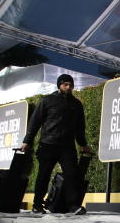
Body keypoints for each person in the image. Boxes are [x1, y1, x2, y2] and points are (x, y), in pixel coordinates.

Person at [20, 73, 91, 214]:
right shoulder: (47, 101)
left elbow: (80, 127)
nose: (68, 87)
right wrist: (27, 141)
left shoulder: (77, 104)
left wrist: (83, 144)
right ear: (59, 85)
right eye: (65, 84)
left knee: (72, 175)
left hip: (67, 147)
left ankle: (73, 206)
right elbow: (35, 122)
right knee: (43, 175)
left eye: (70, 85)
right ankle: (37, 205)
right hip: (48, 144)